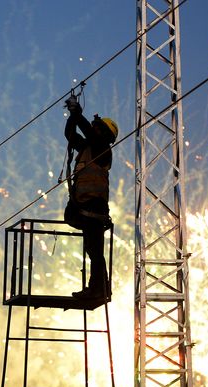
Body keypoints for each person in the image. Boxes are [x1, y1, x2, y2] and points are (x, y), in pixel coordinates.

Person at [63, 93, 118, 300]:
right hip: (84, 206)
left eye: (97, 127)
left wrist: (78, 113)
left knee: (94, 250)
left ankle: (98, 289)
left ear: (104, 133)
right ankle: (98, 288)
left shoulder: (103, 149)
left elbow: (89, 134)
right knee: (92, 249)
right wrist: (73, 115)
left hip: (95, 207)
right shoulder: (87, 148)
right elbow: (70, 134)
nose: (93, 129)